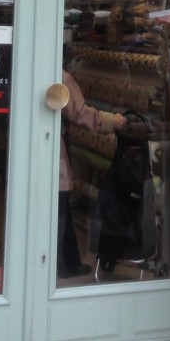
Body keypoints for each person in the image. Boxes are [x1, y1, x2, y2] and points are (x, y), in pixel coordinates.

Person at [58, 69, 125, 278]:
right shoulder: (59, 76)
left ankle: (63, 262)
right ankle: (66, 264)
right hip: (51, 151)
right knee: (60, 206)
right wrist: (111, 120)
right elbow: (79, 113)